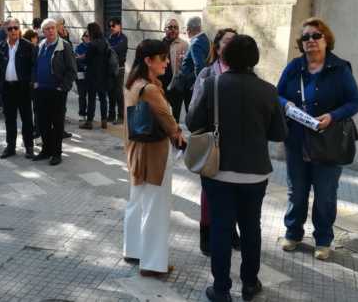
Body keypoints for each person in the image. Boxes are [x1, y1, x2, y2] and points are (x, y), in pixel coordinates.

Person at [187, 35, 287, 302]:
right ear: (255, 58)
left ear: (225, 56)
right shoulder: (269, 90)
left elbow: (193, 122)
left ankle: (221, 290)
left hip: (219, 171)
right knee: (251, 229)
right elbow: (279, 133)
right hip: (255, 174)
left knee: (220, 229)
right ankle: (250, 284)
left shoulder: (212, 85)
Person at [277, 17, 358, 260]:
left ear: (326, 40)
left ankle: (323, 240)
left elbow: (355, 102)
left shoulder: (340, 69)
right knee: (297, 192)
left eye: (316, 36)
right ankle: (293, 233)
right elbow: (276, 95)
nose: (311, 40)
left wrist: (332, 116)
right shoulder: (294, 67)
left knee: (325, 195)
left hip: (329, 142)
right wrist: (286, 104)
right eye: (306, 37)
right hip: (296, 140)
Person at [122, 39, 185, 278]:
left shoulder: (132, 83)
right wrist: (178, 134)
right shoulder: (148, 89)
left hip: (136, 151)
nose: (167, 62)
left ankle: (133, 250)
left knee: (137, 202)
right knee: (155, 208)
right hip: (154, 154)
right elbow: (168, 121)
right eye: (163, 58)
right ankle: (152, 264)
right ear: (148, 60)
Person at [189, 28, 239, 257]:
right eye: (227, 41)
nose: (231, 45)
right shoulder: (207, 73)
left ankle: (231, 230)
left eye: (235, 41)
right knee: (210, 192)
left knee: (235, 190)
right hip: (212, 142)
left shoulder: (246, 73)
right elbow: (193, 111)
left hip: (237, 144)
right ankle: (206, 233)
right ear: (217, 47)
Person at [32, 18, 77, 166]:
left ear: (56, 29)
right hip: (41, 91)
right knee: (43, 123)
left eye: (52, 28)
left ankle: (57, 153)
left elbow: (72, 70)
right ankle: (46, 150)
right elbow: (35, 66)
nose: (50, 31)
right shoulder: (41, 45)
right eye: (47, 29)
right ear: (43, 32)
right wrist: (34, 82)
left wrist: (63, 87)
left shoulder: (64, 46)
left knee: (57, 124)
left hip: (57, 91)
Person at [0, 18, 36, 159]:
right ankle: (10, 147)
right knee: (9, 119)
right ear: (6, 31)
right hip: (7, 88)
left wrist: (31, 84)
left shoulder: (28, 46)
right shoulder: (0, 46)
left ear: (19, 29)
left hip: (23, 88)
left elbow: (34, 67)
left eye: (16, 28)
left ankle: (29, 147)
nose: (13, 31)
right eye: (10, 28)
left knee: (27, 119)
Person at [80, 22, 110, 130]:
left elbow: (87, 59)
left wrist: (80, 58)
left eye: (88, 30)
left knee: (91, 98)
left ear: (91, 31)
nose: (87, 33)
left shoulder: (92, 44)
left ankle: (89, 122)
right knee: (103, 98)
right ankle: (104, 121)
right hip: (103, 74)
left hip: (92, 74)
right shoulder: (105, 42)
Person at [180, 16, 210, 114]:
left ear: (189, 29)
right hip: (195, 81)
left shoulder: (195, 43)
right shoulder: (205, 39)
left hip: (191, 83)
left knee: (191, 112)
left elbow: (199, 65)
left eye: (186, 29)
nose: (186, 31)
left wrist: (197, 83)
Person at [160, 18, 189, 122]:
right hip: (161, 85)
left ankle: (174, 131)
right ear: (165, 29)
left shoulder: (184, 45)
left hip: (176, 86)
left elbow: (187, 66)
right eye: (170, 27)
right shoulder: (159, 44)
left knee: (175, 116)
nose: (173, 30)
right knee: (162, 114)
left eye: (175, 27)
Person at [107, 17, 128, 125]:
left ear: (119, 26)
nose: (111, 28)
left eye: (113, 25)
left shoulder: (123, 38)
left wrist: (109, 49)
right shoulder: (110, 37)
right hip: (110, 68)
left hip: (119, 68)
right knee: (110, 92)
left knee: (118, 92)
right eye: (110, 26)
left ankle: (121, 116)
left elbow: (117, 49)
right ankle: (111, 115)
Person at [75, 31, 90, 121]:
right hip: (80, 74)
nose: (88, 38)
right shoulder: (79, 47)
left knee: (91, 95)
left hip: (90, 74)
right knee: (82, 95)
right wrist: (84, 65)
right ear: (83, 37)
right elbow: (77, 60)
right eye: (86, 36)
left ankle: (90, 114)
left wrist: (82, 57)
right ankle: (82, 113)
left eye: (89, 36)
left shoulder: (92, 47)